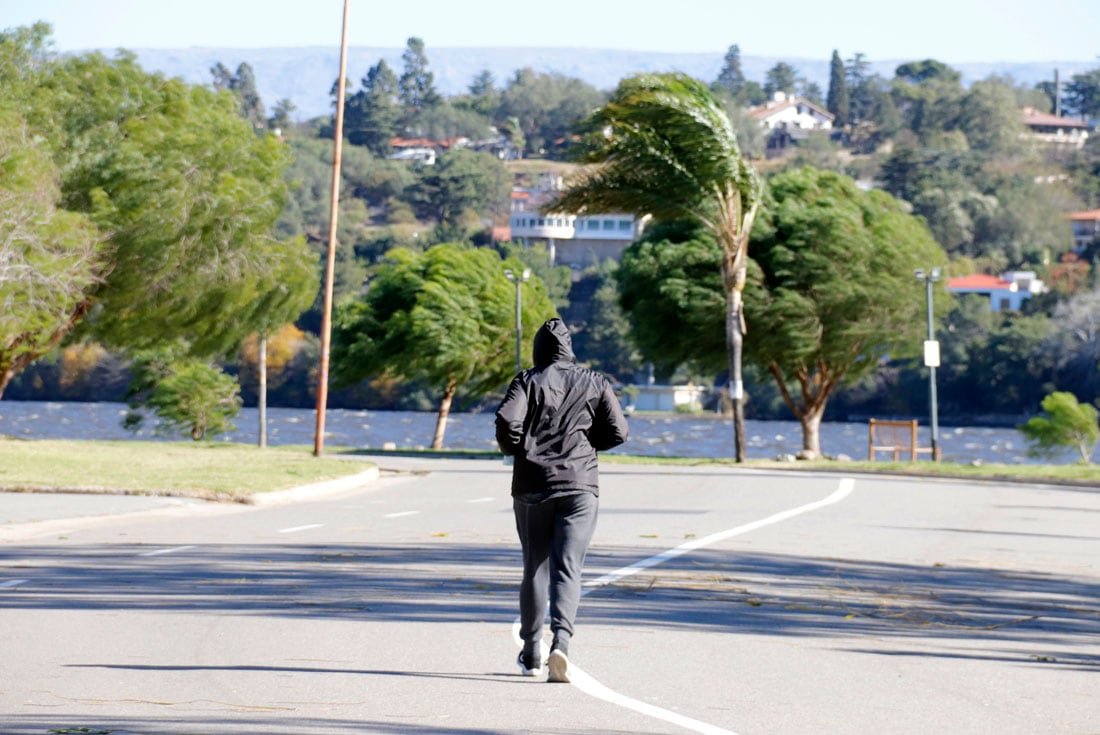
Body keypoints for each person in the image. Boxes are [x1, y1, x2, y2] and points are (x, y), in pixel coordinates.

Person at [495, 317, 629, 683]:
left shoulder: (527, 380)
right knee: (568, 567)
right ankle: (562, 646)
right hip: (580, 485)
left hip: (532, 484)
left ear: (539, 349)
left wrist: (516, 449)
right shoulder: (595, 381)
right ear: (569, 349)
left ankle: (531, 650)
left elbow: (508, 421)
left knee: (534, 567)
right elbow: (619, 430)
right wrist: (584, 444)